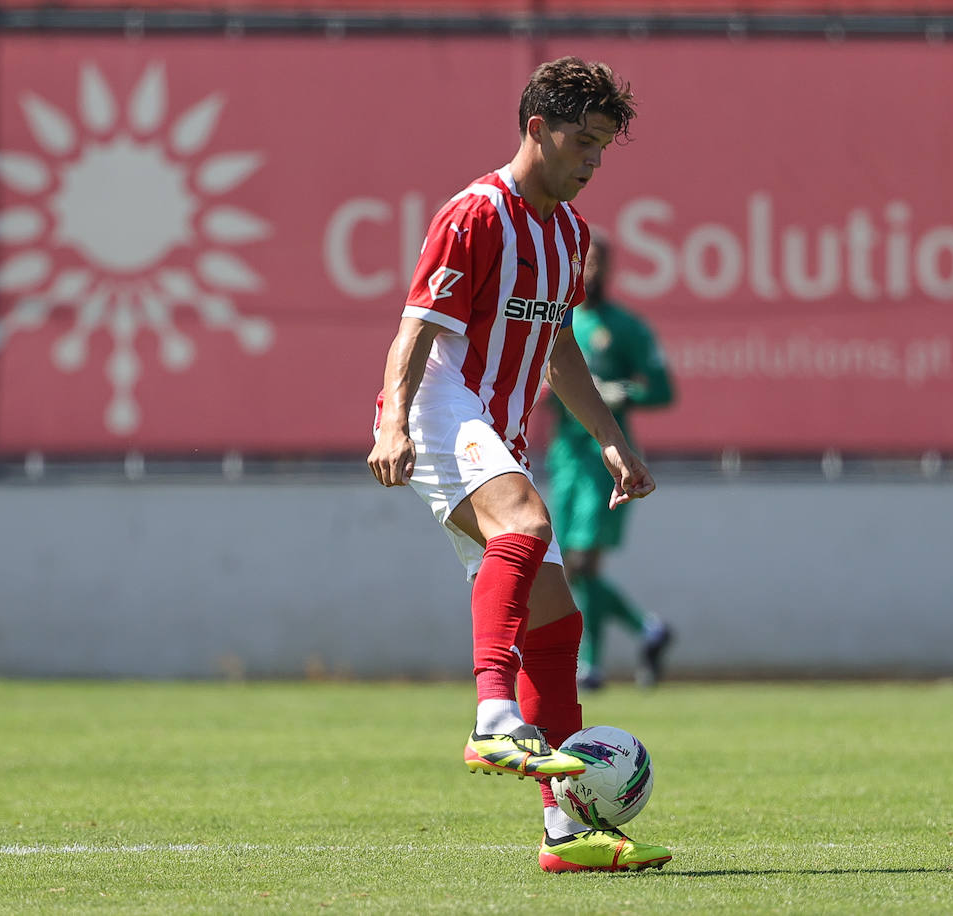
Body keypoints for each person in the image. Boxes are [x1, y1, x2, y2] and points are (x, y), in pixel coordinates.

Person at [366, 57, 670, 874]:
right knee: (528, 524)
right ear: (537, 128)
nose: (591, 163)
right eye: (582, 143)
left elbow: (557, 347)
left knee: (558, 622)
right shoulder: (474, 214)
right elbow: (415, 329)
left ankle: (567, 833)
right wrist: (393, 422)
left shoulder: (569, 236)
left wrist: (610, 437)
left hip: (494, 430)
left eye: (603, 150)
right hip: (437, 410)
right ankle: (492, 717)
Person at [545, 236, 675, 691]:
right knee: (570, 567)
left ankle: (593, 662)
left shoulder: (625, 327)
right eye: (586, 264)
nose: (592, 273)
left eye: (600, 264)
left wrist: (624, 393)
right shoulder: (555, 322)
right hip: (565, 459)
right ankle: (643, 633)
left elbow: (663, 389)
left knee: (581, 564)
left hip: (606, 458)